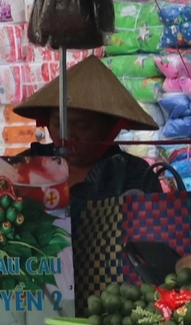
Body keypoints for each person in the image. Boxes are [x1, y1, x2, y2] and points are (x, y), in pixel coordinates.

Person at [13, 55, 163, 217]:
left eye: (81, 126)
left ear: (110, 128)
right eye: (58, 124)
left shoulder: (134, 175)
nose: (66, 135)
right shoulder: (26, 165)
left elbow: (153, 235)